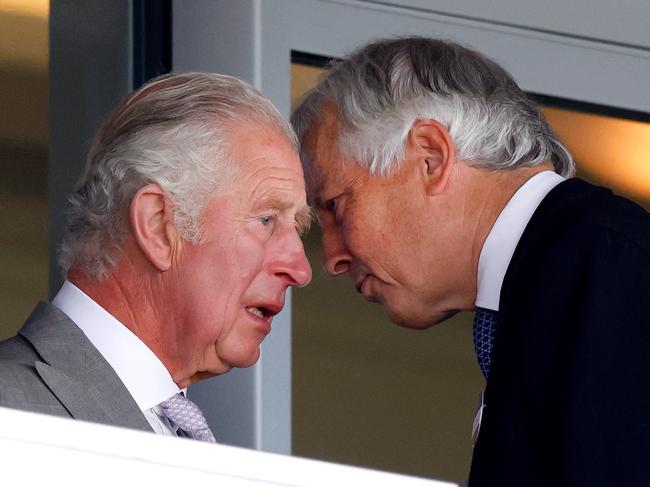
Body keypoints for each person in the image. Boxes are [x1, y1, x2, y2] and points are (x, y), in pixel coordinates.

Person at [291, 37, 650, 486]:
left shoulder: (605, 266)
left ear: (431, 156)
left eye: (336, 207)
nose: (332, 259)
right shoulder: (565, 269)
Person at [0, 72, 312, 442]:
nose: (301, 269)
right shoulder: (10, 410)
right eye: (266, 219)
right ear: (157, 225)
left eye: (298, 226)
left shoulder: (175, 429)